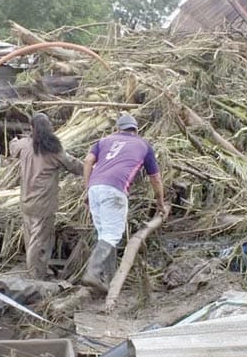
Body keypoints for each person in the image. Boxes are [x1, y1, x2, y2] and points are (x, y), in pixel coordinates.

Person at [81, 113, 166, 292]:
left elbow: (88, 161)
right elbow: (155, 178)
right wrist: (160, 202)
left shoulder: (103, 141)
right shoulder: (143, 145)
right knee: (111, 234)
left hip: (94, 188)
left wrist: (88, 188)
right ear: (136, 130)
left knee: (105, 234)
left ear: (117, 129)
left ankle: (108, 281)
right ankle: (92, 273)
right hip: (115, 189)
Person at [10, 113, 83, 279]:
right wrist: (91, 169)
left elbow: (13, 147)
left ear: (32, 128)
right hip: (44, 202)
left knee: (31, 237)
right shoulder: (53, 149)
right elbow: (73, 165)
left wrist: (14, 140)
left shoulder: (24, 145)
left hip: (26, 200)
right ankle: (35, 275)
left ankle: (37, 270)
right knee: (39, 240)